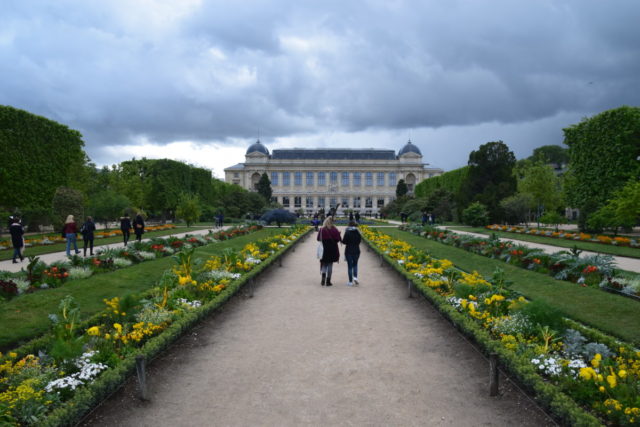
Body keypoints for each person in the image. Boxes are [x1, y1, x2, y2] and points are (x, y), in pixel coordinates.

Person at [317, 216, 341, 287]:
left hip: (324, 249)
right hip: (333, 249)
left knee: (324, 264)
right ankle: (328, 281)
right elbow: (338, 240)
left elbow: (318, 239)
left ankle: (323, 279)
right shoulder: (335, 229)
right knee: (330, 264)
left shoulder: (322, 229)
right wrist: (339, 234)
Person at [342, 220, 362, 286]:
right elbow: (359, 241)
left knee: (350, 266)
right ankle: (355, 277)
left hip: (349, 250)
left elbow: (344, 242)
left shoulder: (347, 232)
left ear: (349, 225)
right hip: (356, 250)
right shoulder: (358, 232)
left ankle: (350, 282)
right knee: (355, 265)